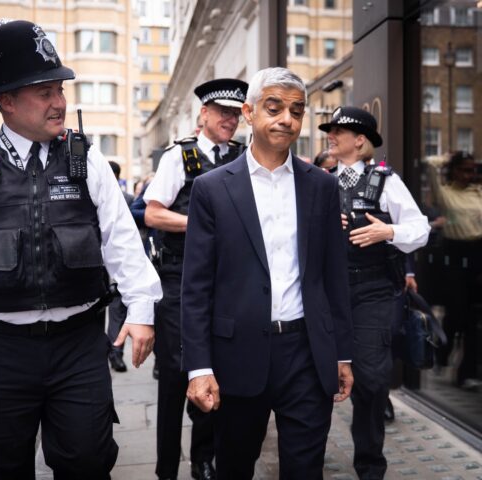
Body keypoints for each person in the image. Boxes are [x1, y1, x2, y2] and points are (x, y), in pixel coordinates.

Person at [0, 20, 161, 479]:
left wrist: (142, 309)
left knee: (87, 461)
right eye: (44, 91)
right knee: (0, 468)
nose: (59, 101)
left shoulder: (87, 159)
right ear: (7, 100)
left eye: (59, 88)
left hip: (79, 346)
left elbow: (122, 241)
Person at [181, 67, 354, 480]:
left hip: (307, 354)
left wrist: (342, 353)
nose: (286, 120)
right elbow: (196, 286)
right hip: (237, 354)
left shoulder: (322, 186)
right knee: (235, 466)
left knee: (305, 469)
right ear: (249, 112)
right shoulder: (212, 188)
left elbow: (334, 276)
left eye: (297, 110)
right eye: (274, 108)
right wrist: (199, 367)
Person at [144, 77, 248, 480]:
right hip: (179, 278)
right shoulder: (180, 157)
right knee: (174, 374)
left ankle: (203, 459)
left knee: (217, 369)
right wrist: (200, 224)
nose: (230, 120)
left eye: (236, 114)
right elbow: (153, 213)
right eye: (222, 112)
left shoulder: (243, 157)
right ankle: (166, 467)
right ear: (203, 114)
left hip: (229, 281)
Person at [318, 106, 430, 479]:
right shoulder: (320, 182)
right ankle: (308, 459)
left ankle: (369, 467)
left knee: (370, 379)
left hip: (373, 292)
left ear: (360, 139)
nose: (330, 137)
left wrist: (388, 232)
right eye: (329, 131)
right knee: (314, 377)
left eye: (338, 131)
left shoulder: (386, 182)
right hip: (326, 292)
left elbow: (420, 228)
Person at [427, 151, 482, 389]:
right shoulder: (445, 193)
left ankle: (466, 373)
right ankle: (441, 354)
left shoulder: (478, 192)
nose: (468, 175)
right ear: (454, 170)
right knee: (455, 315)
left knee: (474, 320)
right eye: (463, 169)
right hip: (454, 254)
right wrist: (446, 159)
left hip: (478, 253)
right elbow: (429, 164)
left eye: (472, 170)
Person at [106, 160, 135, 373]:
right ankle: (112, 354)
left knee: (117, 313)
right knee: (117, 312)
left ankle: (115, 354)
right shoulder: (128, 200)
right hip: (110, 268)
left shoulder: (128, 200)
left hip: (113, 269)